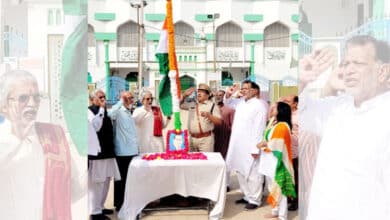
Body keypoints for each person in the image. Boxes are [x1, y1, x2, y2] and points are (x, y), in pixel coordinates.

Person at [299, 35, 390, 220]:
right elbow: (301, 112)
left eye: (357, 63)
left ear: (383, 71)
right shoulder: (338, 107)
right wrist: (301, 80)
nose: (348, 70)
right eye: (346, 63)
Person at [0, 70, 85, 219]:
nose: (32, 104)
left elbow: (71, 193)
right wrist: (17, 140)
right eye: (23, 98)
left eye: (36, 98)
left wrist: (91, 174)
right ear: (4, 105)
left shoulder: (53, 136)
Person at [225, 80, 268, 210]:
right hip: (238, 144)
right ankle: (247, 196)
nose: (243, 91)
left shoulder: (259, 105)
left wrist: (256, 148)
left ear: (255, 91)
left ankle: (255, 199)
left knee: (253, 173)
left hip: (251, 145)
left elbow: (259, 127)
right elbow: (228, 102)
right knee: (240, 170)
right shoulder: (241, 103)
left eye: (246, 88)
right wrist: (229, 94)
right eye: (242, 88)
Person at [257, 102, 296, 220]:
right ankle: (275, 211)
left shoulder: (282, 126)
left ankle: (282, 215)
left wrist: (263, 144)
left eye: (274, 108)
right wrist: (264, 143)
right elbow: (267, 138)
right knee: (271, 187)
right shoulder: (274, 123)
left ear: (281, 111)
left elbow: (276, 145)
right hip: (269, 161)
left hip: (278, 162)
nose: (272, 109)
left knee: (280, 188)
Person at [88, 90, 120, 220]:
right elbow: (96, 126)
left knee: (107, 180)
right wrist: (101, 109)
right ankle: (94, 212)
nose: (103, 99)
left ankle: (100, 207)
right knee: (98, 182)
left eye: (104, 97)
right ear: (92, 99)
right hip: (97, 153)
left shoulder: (104, 111)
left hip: (108, 152)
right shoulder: (90, 111)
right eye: (100, 97)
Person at [107, 91, 139, 211]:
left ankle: (127, 201)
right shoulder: (119, 111)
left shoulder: (129, 112)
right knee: (121, 180)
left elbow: (133, 134)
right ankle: (119, 203)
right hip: (122, 152)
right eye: (128, 98)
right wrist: (121, 101)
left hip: (132, 151)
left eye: (131, 97)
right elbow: (110, 114)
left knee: (129, 179)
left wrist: (137, 149)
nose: (130, 100)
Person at [180, 83, 222, 152]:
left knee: (206, 162)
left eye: (202, 92)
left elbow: (219, 122)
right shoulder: (192, 104)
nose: (199, 94)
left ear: (208, 95)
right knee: (192, 161)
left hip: (205, 140)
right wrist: (184, 95)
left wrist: (209, 116)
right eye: (198, 92)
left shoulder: (212, 106)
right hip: (192, 139)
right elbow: (179, 105)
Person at [281, 95, 299, 211]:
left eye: (288, 101)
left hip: (295, 149)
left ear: (295, 104)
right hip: (284, 148)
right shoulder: (284, 113)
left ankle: (296, 200)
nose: (285, 102)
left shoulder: (300, 116)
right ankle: (287, 197)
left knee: (295, 176)